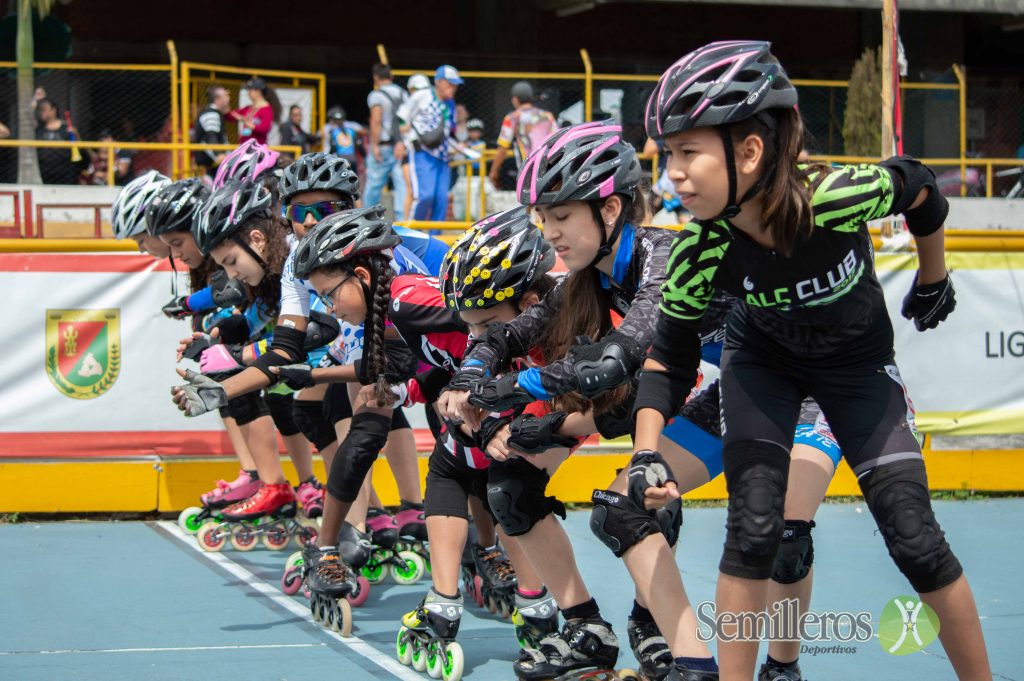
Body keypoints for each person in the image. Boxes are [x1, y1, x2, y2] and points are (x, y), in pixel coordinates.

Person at [634, 41, 990, 680]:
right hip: (764, 368)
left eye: (688, 153)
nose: (673, 174)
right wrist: (644, 454)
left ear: (750, 151)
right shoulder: (700, 253)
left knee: (915, 538)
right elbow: (668, 360)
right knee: (755, 529)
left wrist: (933, 279)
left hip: (856, 371)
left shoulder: (835, 196)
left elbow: (923, 188)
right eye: (669, 156)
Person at [408, 65, 463, 221]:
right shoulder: (422, 96)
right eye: (450, 83)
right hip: (423, 152)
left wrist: (458, 147)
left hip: (443, 156)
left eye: (455, 84)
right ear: (439, 82)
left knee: (441, 200)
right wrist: (403, 142)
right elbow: (401, 118)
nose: (454, 88)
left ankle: (436, 237)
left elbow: (449, 131)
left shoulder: (451, 104)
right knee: (425, 196)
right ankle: (411, 234)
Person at [489, 81, 557, 189]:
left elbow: (502, 148)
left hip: (528, 170)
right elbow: (557, 140)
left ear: (515, 99)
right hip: (550, 168)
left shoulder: (512, 118)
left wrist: (493, 173)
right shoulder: (548, 116)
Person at [364, 63, 409, 220]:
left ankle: (367, 220)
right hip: (400, 146)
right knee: (402, 186)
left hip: (383, 146)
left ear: (375, 77)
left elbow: (376, 120)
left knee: (374, 186)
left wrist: (374, 145)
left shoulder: (376, 95)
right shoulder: (403, 94)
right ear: (391, 76)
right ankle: (403, 222)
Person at [35, 97, 81, 185]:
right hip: (44, 169)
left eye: (44, 109)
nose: (41, 112)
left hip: (64, 170)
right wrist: (35, 100)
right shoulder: (39, 128)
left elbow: (79, 147)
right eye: (40, 110)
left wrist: (76, 134)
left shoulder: (66, 128)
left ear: (53, 110)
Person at [230, 77, 282, 146]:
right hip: (245, 147)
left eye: (250, 90)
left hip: (257, 149)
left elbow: (265, 128)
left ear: (258, 91)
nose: (248, 93)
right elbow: (231, 115)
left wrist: (248, 123)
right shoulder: (249, 108)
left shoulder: (266, 109)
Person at [193, 85, 230, 177]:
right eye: (225, 96)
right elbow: (210, 136)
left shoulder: (214, 113)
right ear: (217, 99)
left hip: (212, 163)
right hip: (210, 164)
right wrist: (219, 155)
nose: (228, 98)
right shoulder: (211, 113)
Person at [325, 107, 363, 171]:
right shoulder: (351, 130)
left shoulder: (333, 132)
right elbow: (359, 144)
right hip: (352, 158)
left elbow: (332, 148)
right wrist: (363, 155)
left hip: (340, 158)